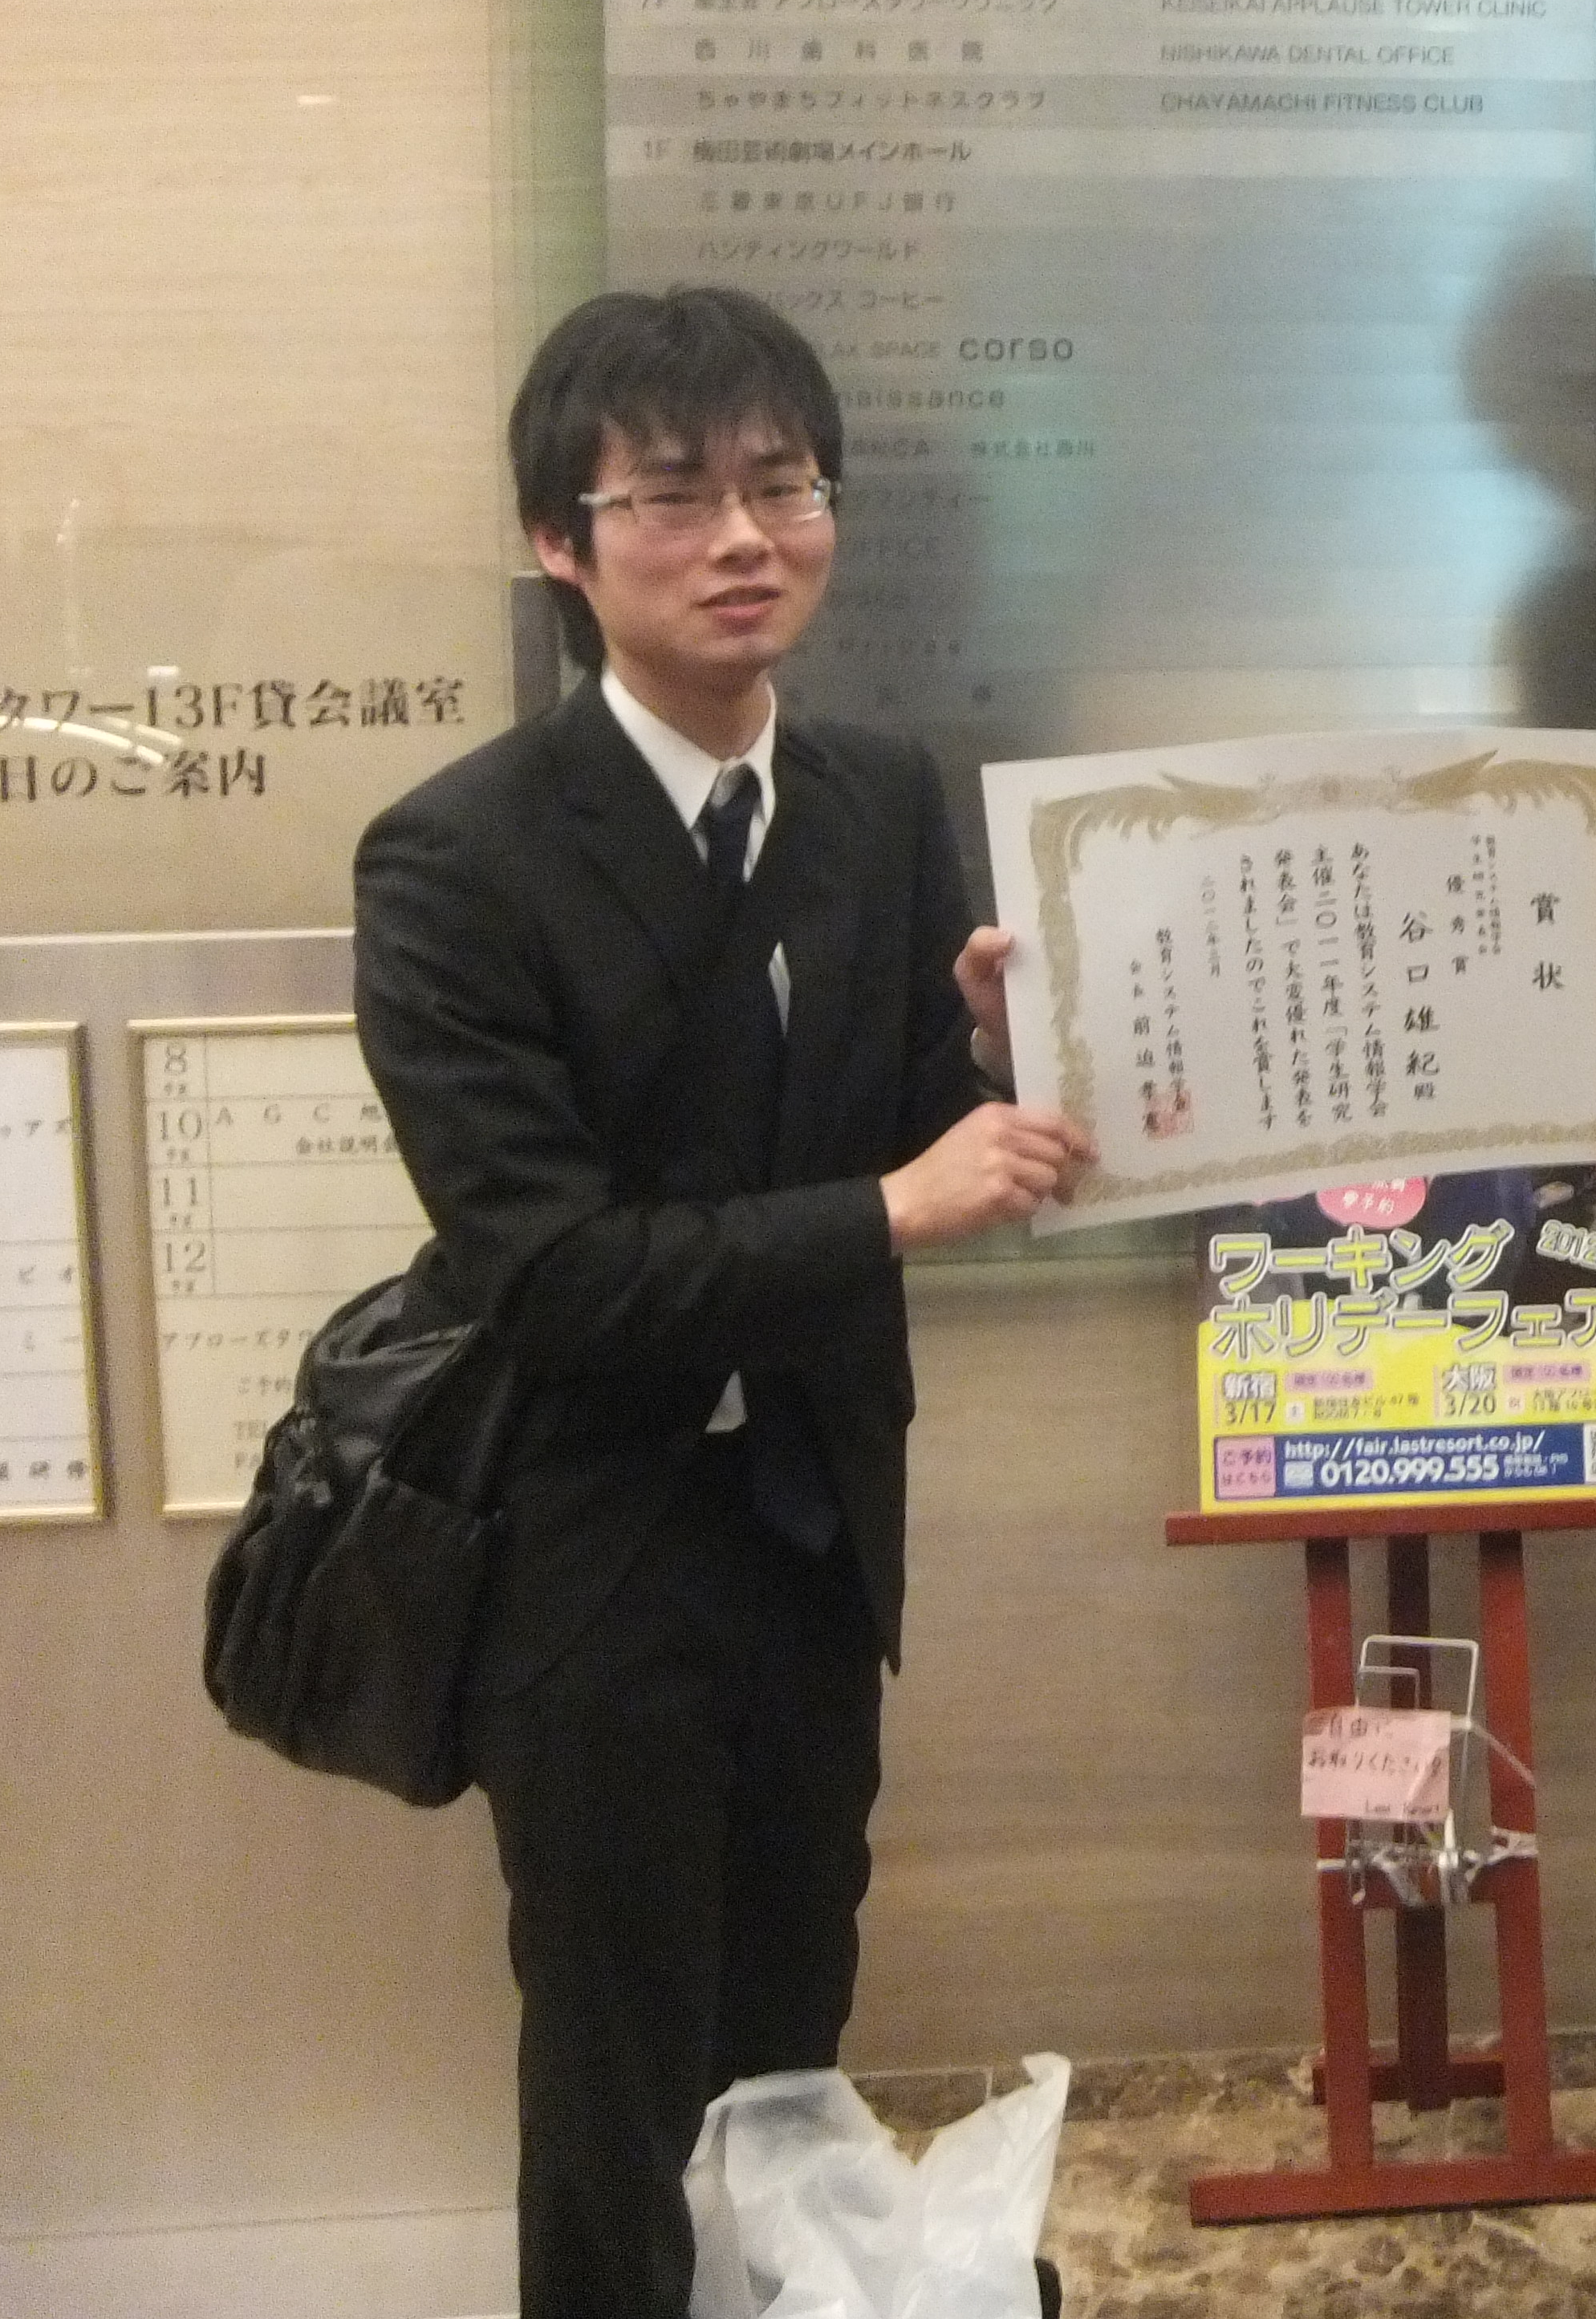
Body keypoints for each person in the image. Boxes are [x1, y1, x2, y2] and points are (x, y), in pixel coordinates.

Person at [352, 286, 1091, 2319]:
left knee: (788, 2051)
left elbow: (909, 1128)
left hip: (814, 1529)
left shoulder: (877, 794)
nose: (746, 537)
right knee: (617, 2076)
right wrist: (894, 1203)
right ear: (560, 541)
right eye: (672, 496)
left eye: (786, 485)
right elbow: (551, 1272)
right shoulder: (455, 861)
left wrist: (991, 1063)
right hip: (587, 1552)